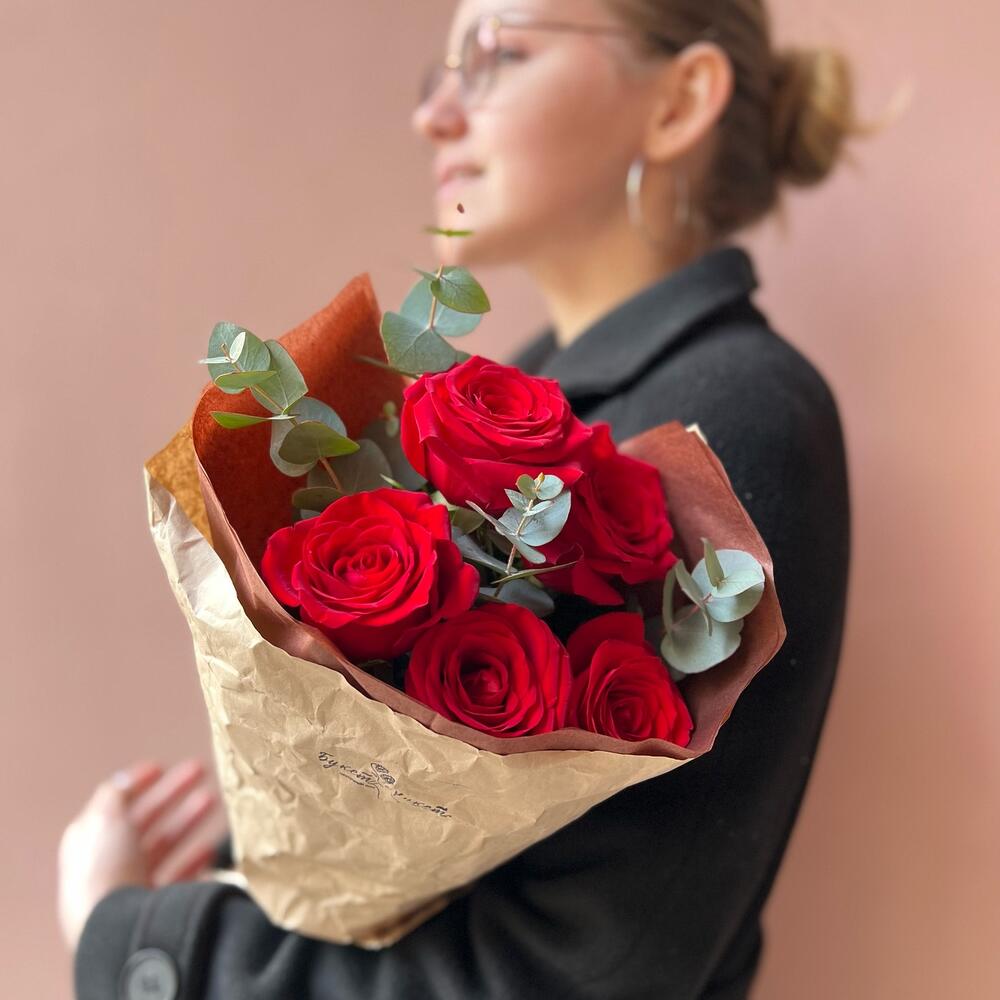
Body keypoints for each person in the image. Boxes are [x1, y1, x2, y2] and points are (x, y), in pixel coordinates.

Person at [62, 1, 860, 996]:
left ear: (680, 100)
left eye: (495, 53)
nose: (434, 114)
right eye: (438, 71)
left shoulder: (739, 415)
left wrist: (139, 940)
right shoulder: (518, 393)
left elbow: (577, 968)